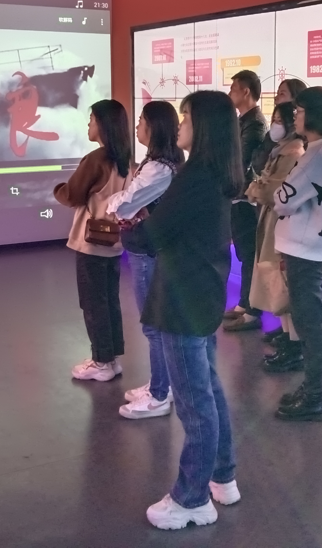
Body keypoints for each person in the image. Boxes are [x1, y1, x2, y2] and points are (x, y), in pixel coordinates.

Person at [141, 91, 243, 530]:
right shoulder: (214, 174)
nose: (179, 124)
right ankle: (222, 475)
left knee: (195, 403)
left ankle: (191, 498)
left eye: (185, 116)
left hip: (183, 299)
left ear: (203, 125)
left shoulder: (195, 176)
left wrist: (127, 230)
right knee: (209, 390)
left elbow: (155, 233)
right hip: (201, 294)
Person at [106, 101, 184, 419]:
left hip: (148, 250)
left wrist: (116, 205)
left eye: (141, 121)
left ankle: (159, 395)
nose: (137, 126)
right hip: (144, 247)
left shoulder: (160, 168)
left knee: (153, 325)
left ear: (154, 127)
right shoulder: (156, 163)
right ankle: (159, 384)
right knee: (153, 324)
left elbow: (123, 204)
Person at [273, 87, 322, 422]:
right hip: (310, 249)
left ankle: (314, 395)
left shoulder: (316, 155)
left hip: (305, 252)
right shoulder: (320, 151)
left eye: (299, 111)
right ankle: (313, 388)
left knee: (310, 324)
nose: (295, 116)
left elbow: (282, 199)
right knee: (314, 320)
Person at [54, 99, 132, 382]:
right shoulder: (125, 159)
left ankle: (102, 362)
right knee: (109, 301)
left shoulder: (96, 159)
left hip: (91, 242)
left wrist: (58, 189)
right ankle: (111, 358)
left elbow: (72, 195)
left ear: (103, 124)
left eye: (92, 119)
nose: (89, 124)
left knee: (92, 302)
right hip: (114, 242)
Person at [244, 102, 306, 372]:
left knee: (282, 283)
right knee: (274, 281)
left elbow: (271, 190)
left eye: (281, 120)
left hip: (282, 224)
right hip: (271, 220)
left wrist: (256, 189)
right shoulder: (280, 150)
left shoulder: (294, 152)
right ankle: (288, 337)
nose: (275, 125)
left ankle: (295, 345)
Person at [223, 70, 268, 332]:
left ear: (246, 92)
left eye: (233, 88)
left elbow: (240, 159)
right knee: (244, 253)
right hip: (239, 195)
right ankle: (244, 303)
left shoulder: (255, 123)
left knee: (250, 253)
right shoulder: (243, 121)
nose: (230, 93)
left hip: (246, 198)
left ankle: (252, 309)